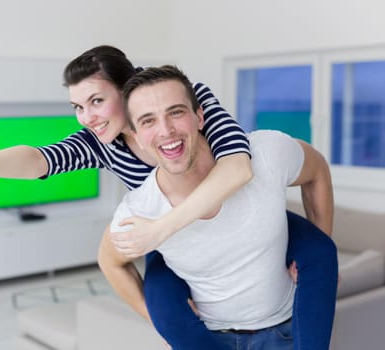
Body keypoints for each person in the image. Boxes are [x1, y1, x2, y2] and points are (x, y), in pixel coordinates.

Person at [0, 46, 337, 349]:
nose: (88, 116)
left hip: (222, 218)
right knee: (164, 304)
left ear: (128, 91)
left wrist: (161, 227)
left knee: (317, 249)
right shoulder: (101, 142)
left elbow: (237, 168)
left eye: (96, 101)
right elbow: (39, 161)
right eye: (78, 106)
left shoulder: (192, 104)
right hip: (169, 240)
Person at [99, 65, 337, 350]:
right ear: (136, 136)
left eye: (176, 112)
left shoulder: (266, 153)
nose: (166, 130)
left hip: (286, 333)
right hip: (209, 340)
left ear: (199, 116)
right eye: (148, 121)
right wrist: (162, 323)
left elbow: (317, 169)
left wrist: (316, 256)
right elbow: (111, 261)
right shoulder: (139, 210)